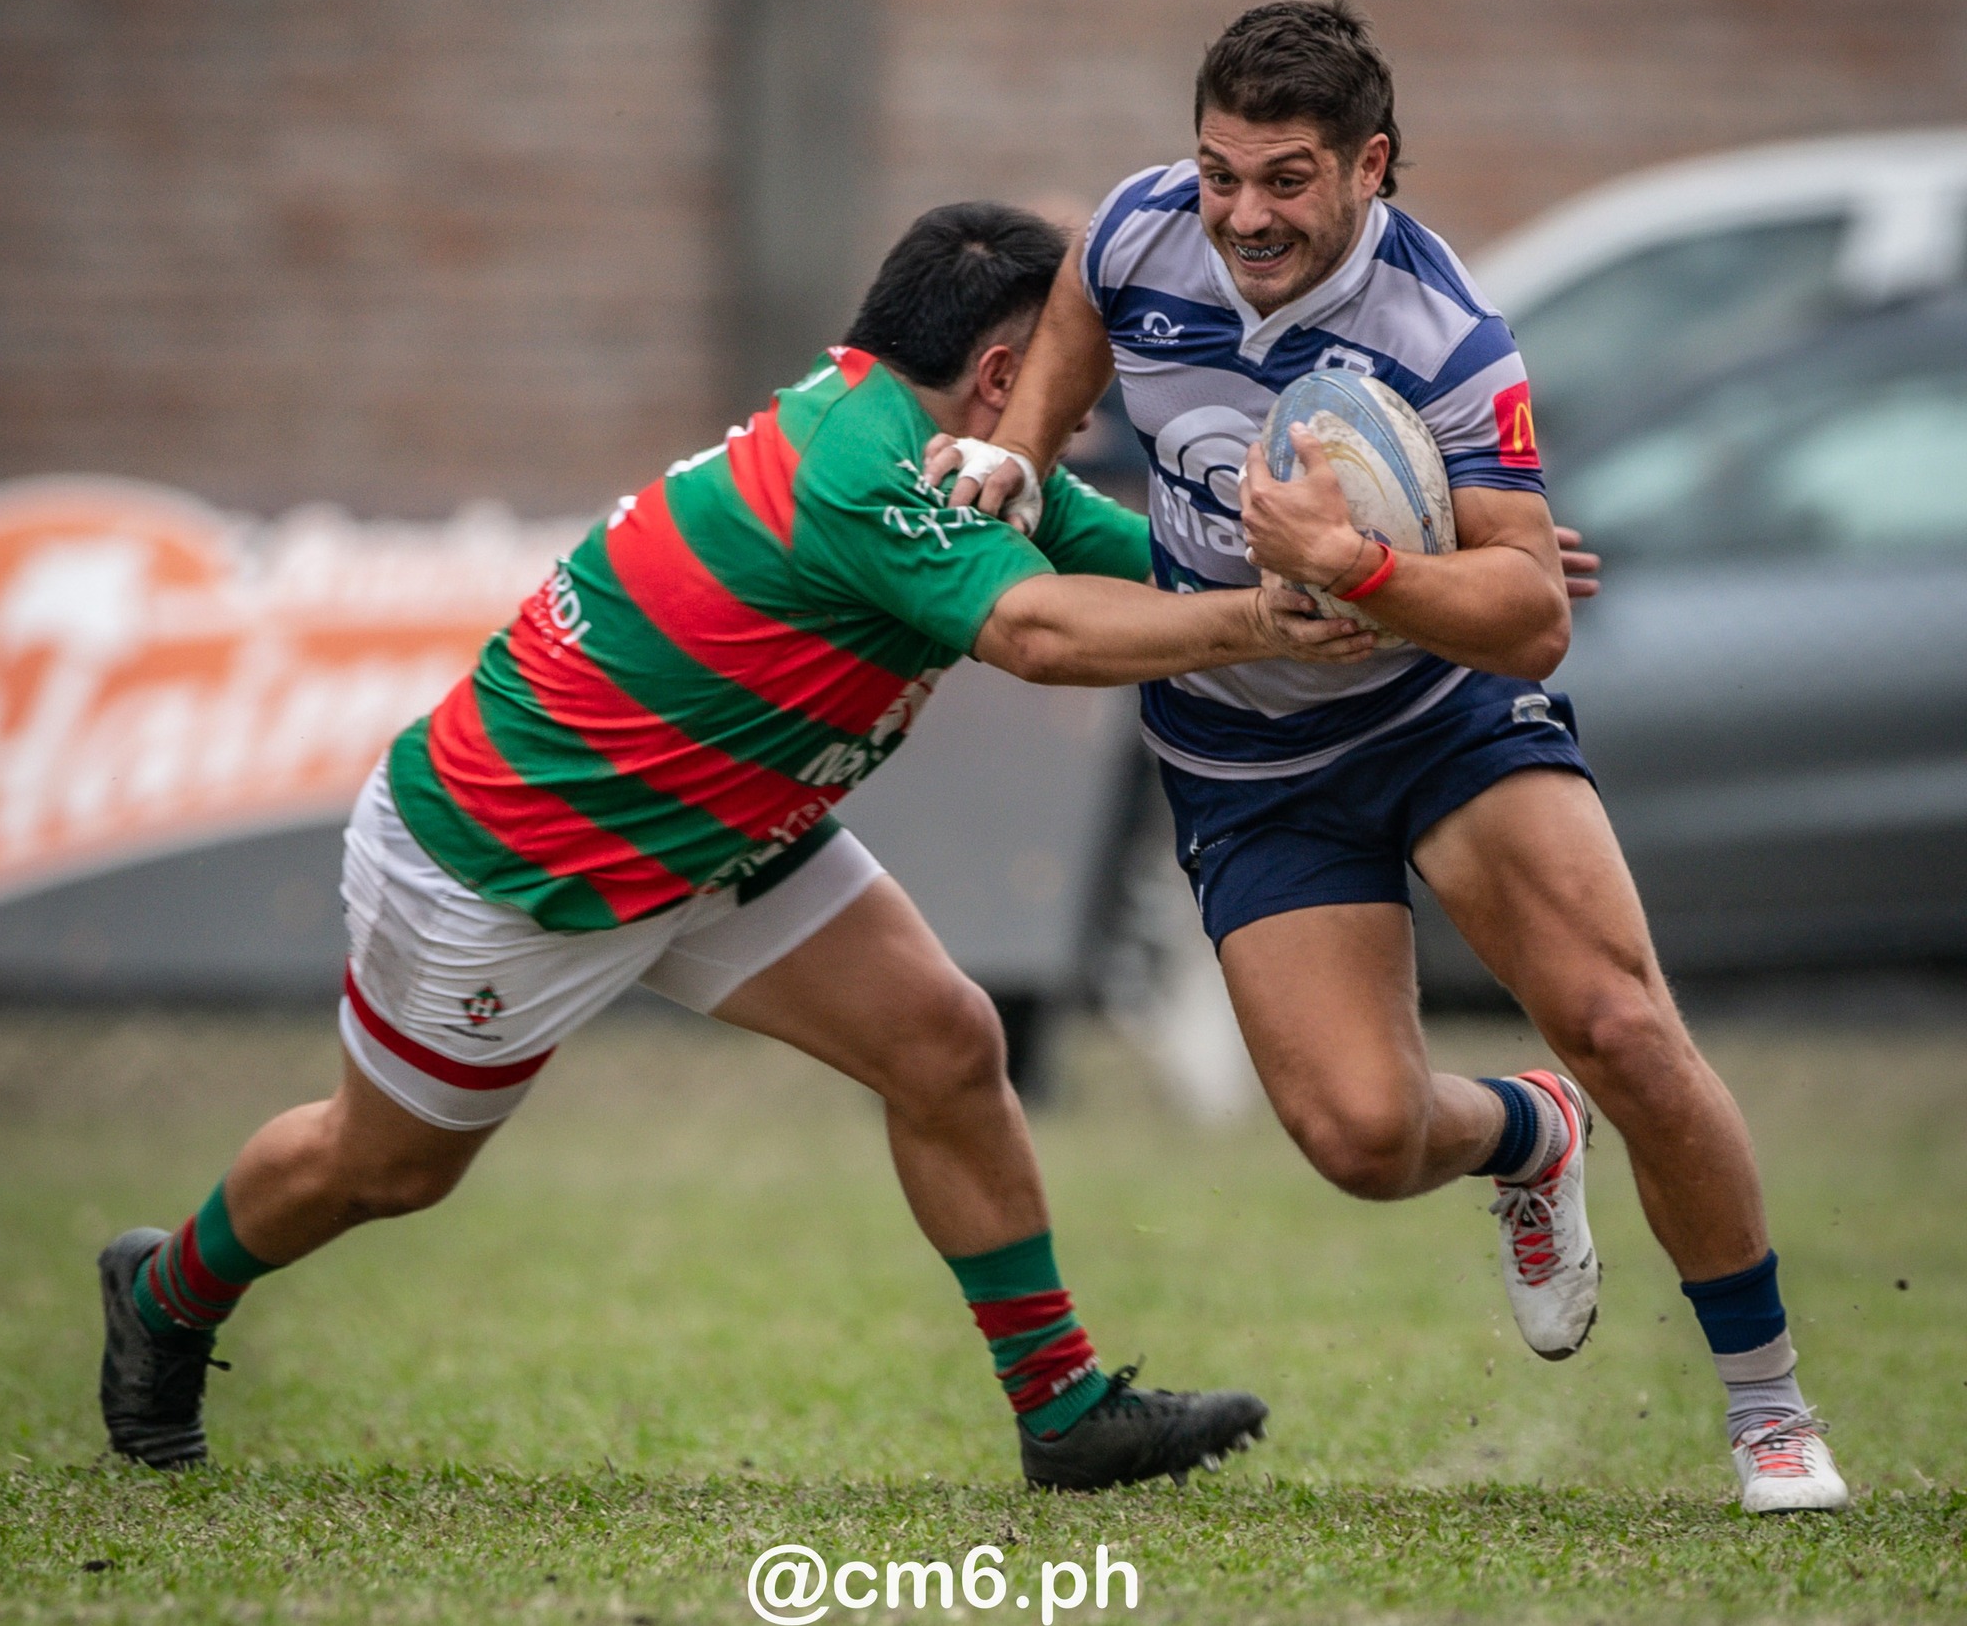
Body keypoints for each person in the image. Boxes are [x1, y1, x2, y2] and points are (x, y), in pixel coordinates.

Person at [96, 202, 1298, 1492]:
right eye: (1079, 367)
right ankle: (165, 1294)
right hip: (516, 857)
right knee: (384, 1169)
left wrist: (1370, 577)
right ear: (1003, 374)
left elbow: (1161, 568)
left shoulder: (954, 449)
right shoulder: (867, 471)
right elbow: (1041, 636)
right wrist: (1263, 626)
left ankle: (1061, 1410)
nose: (1092, 402)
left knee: (945, 1044)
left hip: (719, 830)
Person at [929, 0, 1846, 1514]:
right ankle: (1530, 1132)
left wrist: (1356, 567)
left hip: (1441, 721)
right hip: (1243, 753)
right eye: (1222, 172)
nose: (1243, 215)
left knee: (1621, 1022)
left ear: (1371, 167)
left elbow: (1532, 618)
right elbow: (1083, 302)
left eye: (1286, 179)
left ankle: (1770, 1412)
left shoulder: (1445, 333)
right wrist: (1023, 448)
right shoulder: (1143, 231)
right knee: (1359, 1136)